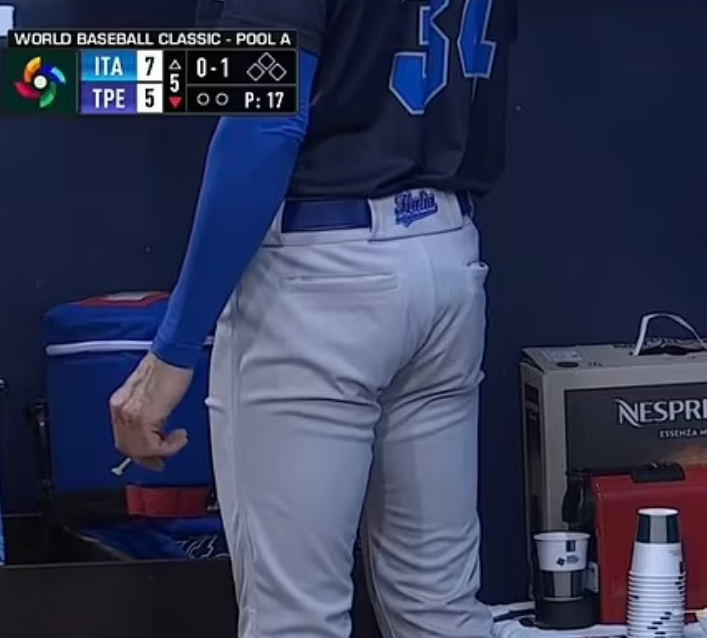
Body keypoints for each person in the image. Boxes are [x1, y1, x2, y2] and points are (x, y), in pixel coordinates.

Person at [108, 0, 517, 636]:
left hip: (322, 268)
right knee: (439, 610)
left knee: (294, 620)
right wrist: (65, 75)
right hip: (446, 249)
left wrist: (175, 346)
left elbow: (263, 127)